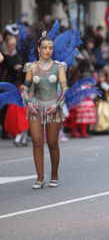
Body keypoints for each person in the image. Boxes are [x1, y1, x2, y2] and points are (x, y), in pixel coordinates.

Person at [21, 35, 68, 189]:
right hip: (35, 107)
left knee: (53, 143)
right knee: (37, 141)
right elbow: (26, 88)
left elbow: (64, 89)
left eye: (50, 48)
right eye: (45, 47)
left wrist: (58, 105)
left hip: (54, 107)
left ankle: (54, 175)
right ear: (38, 49)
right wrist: (28, 102)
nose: (48, 50)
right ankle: (40, 178)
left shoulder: (59, 67)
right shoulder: (32, 67)